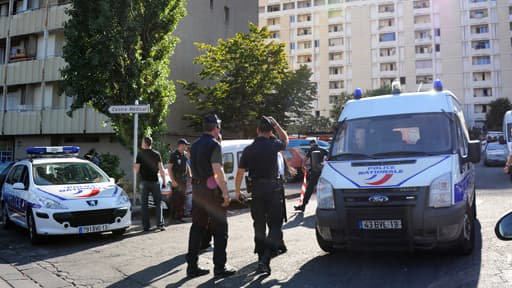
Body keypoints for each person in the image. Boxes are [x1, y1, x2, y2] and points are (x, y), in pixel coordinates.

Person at [235, 116, 288, 275]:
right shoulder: (273, 145)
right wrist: (277, 124)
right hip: (273, 189)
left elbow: (239, 173)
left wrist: (238, 191)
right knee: (275, 226)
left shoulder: (249, 149)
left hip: (256, 189)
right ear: (270, 131)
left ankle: (260, 259)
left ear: (257, 131)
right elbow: (285, 139)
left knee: (258, 225)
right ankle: (265, 260)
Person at [185, 114, 236, 278]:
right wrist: (226, 193)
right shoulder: (214, 145)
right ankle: (220, 267)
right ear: (216, 127)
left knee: (197, 228)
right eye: (219, 126)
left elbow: (192, 169)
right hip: (212, 193)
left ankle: (192, 266)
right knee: (220, 229)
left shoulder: (194, 146)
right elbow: (217, 170)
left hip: (198, 191)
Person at [133, 136, 167, 232]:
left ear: (144, 143)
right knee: (158, 203)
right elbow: (161, 169)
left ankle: (146, 226)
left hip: (144, 182)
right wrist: (164, 182)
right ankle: (160, 225)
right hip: (155, 181)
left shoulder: (140, 154)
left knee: (144, 205)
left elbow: (136, 170)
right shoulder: (156, 154)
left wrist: (135, 166)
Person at [294, 139, 328, 212]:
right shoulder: (324, 149)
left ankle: (303, 206)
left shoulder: (312, 149)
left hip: (315, 172)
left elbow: (305, 159)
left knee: (309, 189)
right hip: (324, 172)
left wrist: (303, 167)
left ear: (311, 144)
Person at [168, 138, 191, 223]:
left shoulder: (184, 155)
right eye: (185, 145)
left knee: (182, 198)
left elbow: (187, 166)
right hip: (176, 179)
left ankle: (180, 216)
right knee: (176, 199)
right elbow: (169, 168)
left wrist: (190, 176)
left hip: (183, 179)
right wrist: (173, 180)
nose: (186, 147)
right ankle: (174, 217)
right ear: (181, 145)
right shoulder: (174, 155)